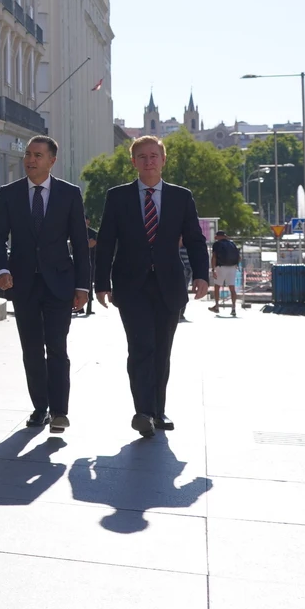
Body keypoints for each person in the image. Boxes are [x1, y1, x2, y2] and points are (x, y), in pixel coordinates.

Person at [93, 135, 210, 439]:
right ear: (133, 162)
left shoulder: (180, 197)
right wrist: (101, 283)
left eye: (154, 156)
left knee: (162, 351)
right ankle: (143, 411)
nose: (148, 161)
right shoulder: (118, 197)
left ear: (163, 160)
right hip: (131, 287)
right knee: (141, 348)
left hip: (169, 285)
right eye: (142, 157)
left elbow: (196, 239)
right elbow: (106, 242)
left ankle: (158, 410)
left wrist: (202, 275)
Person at [0, 134, 91, 434]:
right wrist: (2, 269)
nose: (30, 160)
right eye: (28, 154)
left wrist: (83, 286)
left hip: (60, 283)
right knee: (31, 348)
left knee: (57, 346)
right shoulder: (9, 193)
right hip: (24, 283)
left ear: (52, 160)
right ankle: (40, 407)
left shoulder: (69, 194)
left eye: (37, 155)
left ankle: (59, 411)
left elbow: (81, 245)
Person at [212, 230, 242, 315]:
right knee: (232, 288)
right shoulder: (232, 244)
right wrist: (236, 265)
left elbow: (214, 257)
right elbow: (239, 257)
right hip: (232, 267)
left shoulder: (217, 244)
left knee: (217, 286)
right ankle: (233, 308)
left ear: (217, 236)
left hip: (221, 267)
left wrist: (213, 269)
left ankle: (217, 306)